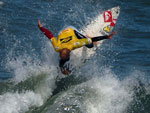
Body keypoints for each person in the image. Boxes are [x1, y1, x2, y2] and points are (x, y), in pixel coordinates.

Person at [38, 20, 116, 75]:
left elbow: (93, 39)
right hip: (62, 32)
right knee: (63, 60)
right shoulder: (57, 47)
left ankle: (86, 35)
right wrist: (41, 27)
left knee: (90, 44)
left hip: (72, 30)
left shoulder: (75, 44)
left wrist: (106, 37)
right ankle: (62, 69)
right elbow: (49, 35)